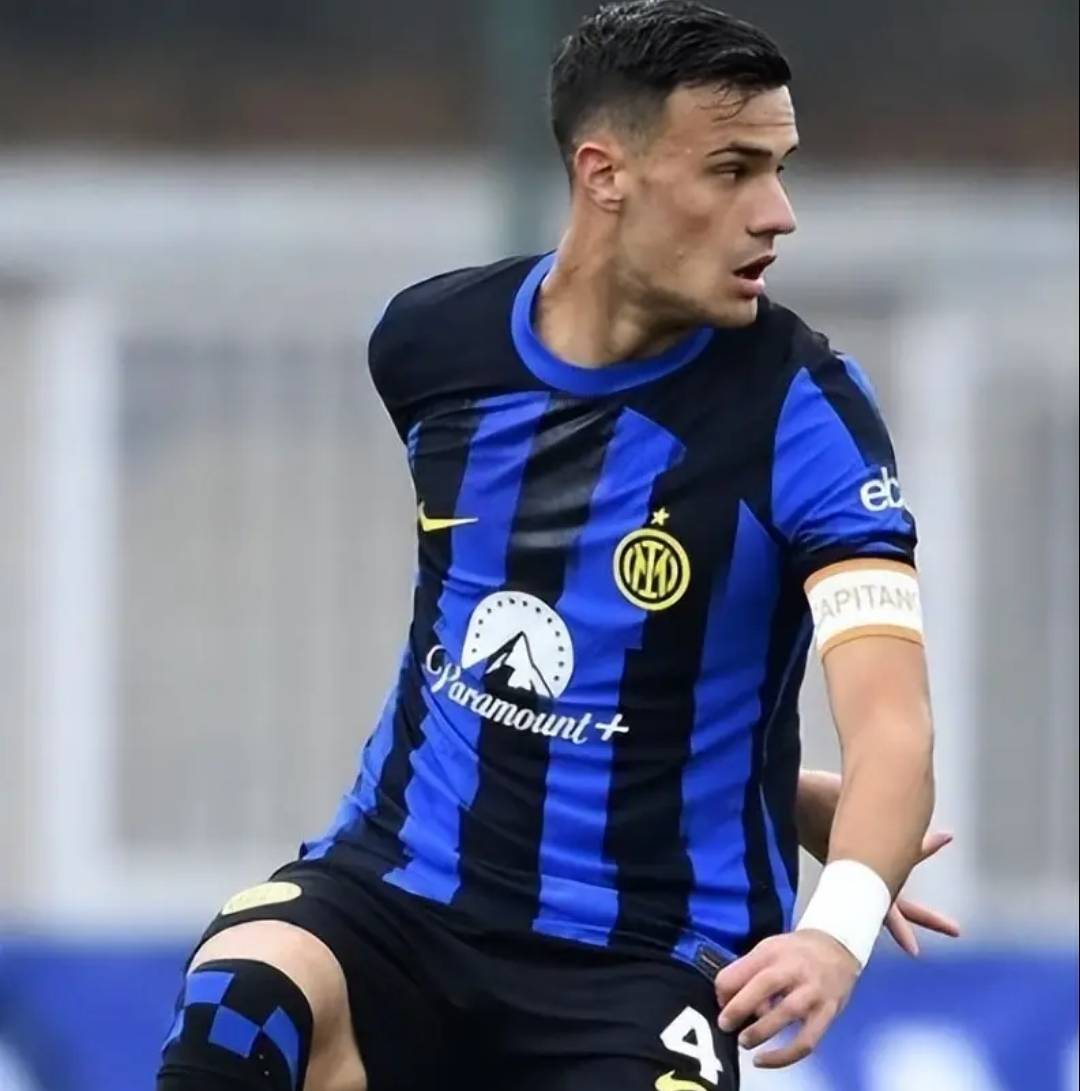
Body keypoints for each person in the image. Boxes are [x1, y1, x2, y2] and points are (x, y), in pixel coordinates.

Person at [157, 3, 959, 1089]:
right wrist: (772, 785)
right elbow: (529, 627)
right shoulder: (433, 348)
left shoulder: (804, 414)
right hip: (396, 894)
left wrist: (836, 927)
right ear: (604, 173)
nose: (777, 214)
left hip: (645, 958)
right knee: (240, 999)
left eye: (780, 169)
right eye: (732, 170)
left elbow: (895, 722)